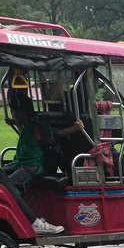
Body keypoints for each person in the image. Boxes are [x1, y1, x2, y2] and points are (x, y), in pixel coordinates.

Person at [1, 94, 81, 234]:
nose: (13, 114)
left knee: (9, 187)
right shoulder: (26, 126)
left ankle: (30, 221)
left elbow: (58, 133)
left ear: (22, 111)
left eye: (15, 111)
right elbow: (23, 131)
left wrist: (74, 128)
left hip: (31, 166)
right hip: (19, 163)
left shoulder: (36, 126)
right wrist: (16, 123)